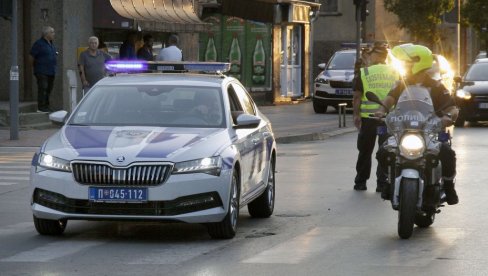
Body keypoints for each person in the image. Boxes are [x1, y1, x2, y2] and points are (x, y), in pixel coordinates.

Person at [375, 43, 459, 205]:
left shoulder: (436, 86)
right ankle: (388, 181)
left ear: (419, 63)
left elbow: (452, 107)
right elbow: (390, 99)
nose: (405, 66)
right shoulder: (401, 84)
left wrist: (449, 117)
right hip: (405, 129)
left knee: (447, 153)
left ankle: (448, 186)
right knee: (384, 151)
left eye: (408, 63)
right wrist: (381, 111)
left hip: (427, 132)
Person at [352, 42, 399, 191]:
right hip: (388, 119)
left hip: (369, 119)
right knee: (386, 151)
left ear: (377, 55)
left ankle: (361, 182)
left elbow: (357, 97)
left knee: (365, 151)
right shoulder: (396, 73)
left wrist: (356, 115)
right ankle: (382, 183)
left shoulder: (364, 72)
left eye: (371, 54)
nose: (369, 57)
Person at [29, 26, 57, 112]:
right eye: (52, 32)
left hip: (51, 71)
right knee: (43, 88)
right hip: (41, 70)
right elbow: (31, 56)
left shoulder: (51, 44)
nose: (54, 34)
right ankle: (41, 107)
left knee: (49, 89)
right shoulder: (39, 43)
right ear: (46, 34)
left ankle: (46, 106)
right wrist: (34, 67)